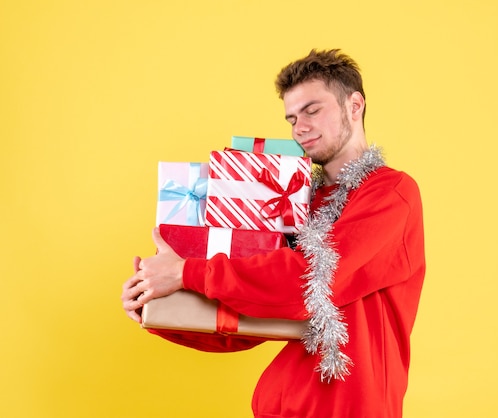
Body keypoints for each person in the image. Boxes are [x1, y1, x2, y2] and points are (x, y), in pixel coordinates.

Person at [121, 49, 426, 418]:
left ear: (354, 105)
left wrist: (185, 272)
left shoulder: (391, 194)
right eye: (292, 118)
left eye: (313, 110)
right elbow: (245, 317)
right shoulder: (292, 202)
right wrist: (156, 303)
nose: (300, 127)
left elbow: (306, 281)